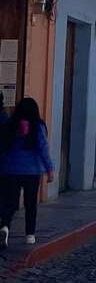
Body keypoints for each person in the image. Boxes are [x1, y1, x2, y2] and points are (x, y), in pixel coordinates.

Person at [0, 97, 55, 248]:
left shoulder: (10, 125)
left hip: (11, 170)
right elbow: (43, 149)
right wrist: (49, 169)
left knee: (9, 203)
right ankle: (30, 235)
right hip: (32, 172)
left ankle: (5, 227)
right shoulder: (38, 127)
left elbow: (3, 147)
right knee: (31, 204)